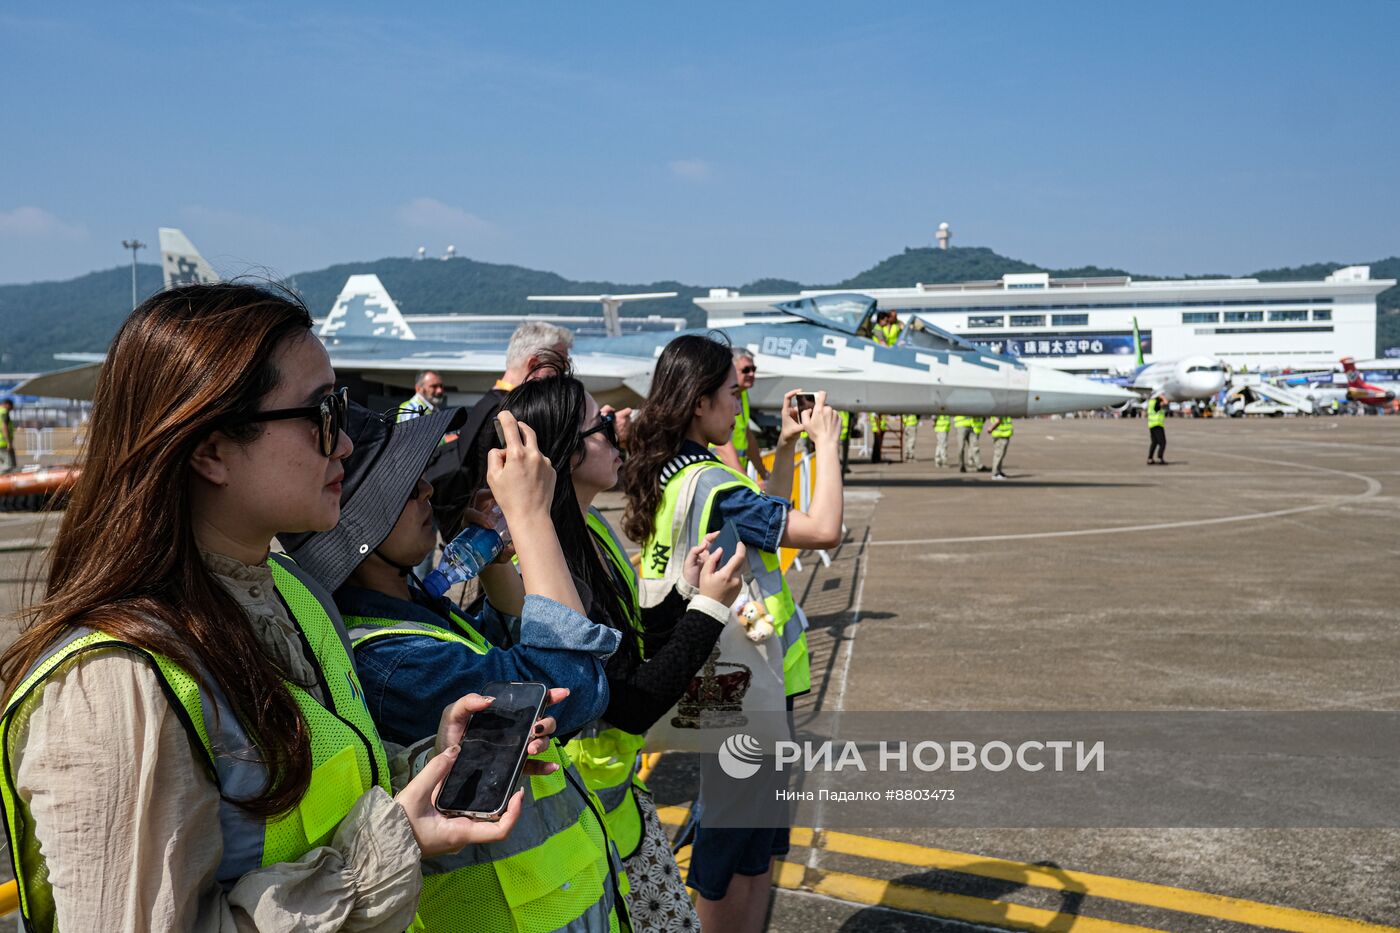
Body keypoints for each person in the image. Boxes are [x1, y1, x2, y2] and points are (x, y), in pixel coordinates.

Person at [0, 282, 544, 932]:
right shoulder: (115, 683)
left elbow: (325, 793)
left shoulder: (293, 590)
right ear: (209, 448)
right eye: (321, 414)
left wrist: (430, 765)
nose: (343, 443)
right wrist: (387, 846)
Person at [283, 399, 632, 931]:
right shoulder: (386, 659)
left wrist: (495, 569)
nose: (426, 490)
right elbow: (571, 689)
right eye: (401, 488)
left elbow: (513, 655)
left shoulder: (415, 614)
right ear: (358, 525)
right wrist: (532, 516)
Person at [497, 363, 749, 931]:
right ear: (563, 452)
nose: (618, 433)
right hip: (587, 823)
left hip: (618, 806)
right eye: (600, 426)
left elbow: (627, 637)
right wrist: (709, 610)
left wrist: (685, 590)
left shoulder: (592, 529)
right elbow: (630, 700)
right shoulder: (543, 571)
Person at [622, 333, 844, 933]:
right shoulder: (719, 487)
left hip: (722, 676)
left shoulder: (679, 477)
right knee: (731, 852)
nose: (736, 404)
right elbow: (823, 530)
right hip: (747, 686)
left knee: (747, 844)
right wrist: (828, 445)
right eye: (729, 392)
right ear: (700, 402)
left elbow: (764, 525)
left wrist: (791, 445)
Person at [430, 321, 574, 541]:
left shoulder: (484, 405)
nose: (563, 380)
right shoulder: (511, 416)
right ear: (534, 364)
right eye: (559, 368)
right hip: (507, 539)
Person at [714, 349, 771, 484]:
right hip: (720, 476)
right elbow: (723, 447)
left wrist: (764, 473)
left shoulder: (743, 395)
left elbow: (748, 436)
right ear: (732, 371)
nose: (751, 374)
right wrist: (749, 484)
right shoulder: (721, 397)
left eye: (753, 369)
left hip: (735, 475)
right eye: (746, 370)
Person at [987, 415, 1013, 479]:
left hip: (1003, 434)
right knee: (998, 455)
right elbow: (998, 421)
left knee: (1000, 455)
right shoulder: (1000, 409)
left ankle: (999, 471)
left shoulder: (1002, 409)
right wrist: (991, 428)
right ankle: (995, 474)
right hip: (1000, 435)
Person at [1147, 393, 1168, 464]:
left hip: (1151, 425)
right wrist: (1162, 397)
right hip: (1157, 425)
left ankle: (1150, 459)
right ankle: (1160, 458)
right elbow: (1165, 402)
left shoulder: (1151, 402)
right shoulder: (1156, 402)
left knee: (1154, 442)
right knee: (1162, 443)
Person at [0, 397, 15, 473]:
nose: (12, 409)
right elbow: (4, 427)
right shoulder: (4, 413)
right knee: (9, 466)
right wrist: (9, 442)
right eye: (11, 407)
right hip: (3, 444)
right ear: (7, 405)